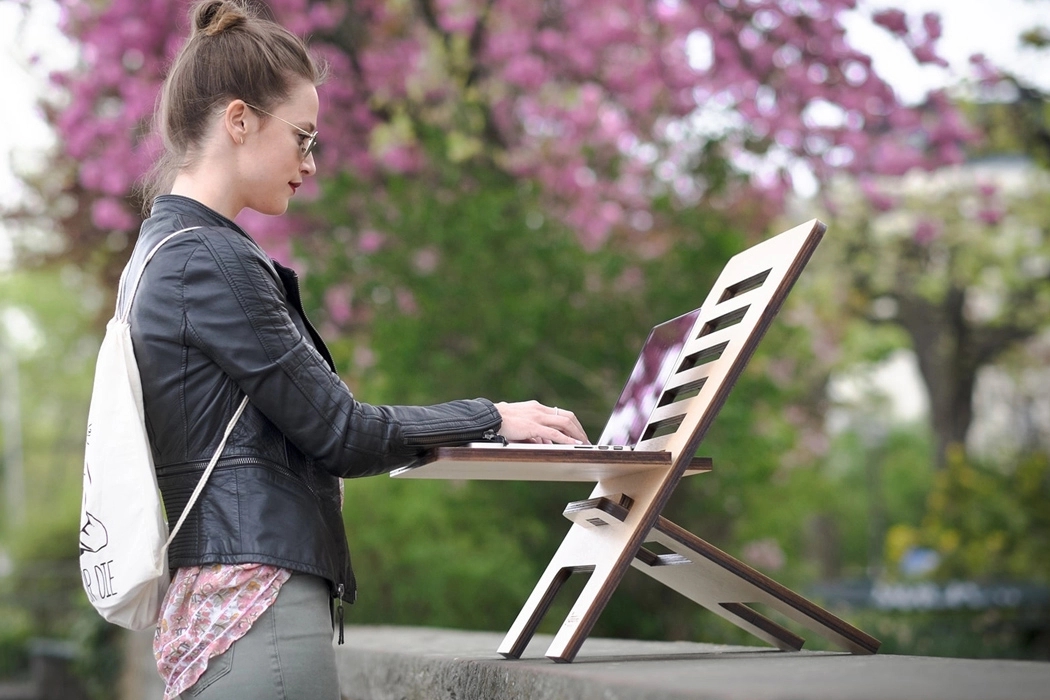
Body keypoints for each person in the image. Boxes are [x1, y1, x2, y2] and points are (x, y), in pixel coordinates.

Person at [126, 1, 588, 697]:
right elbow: (341, 432)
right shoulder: (210, 262)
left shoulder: (161, 252)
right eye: (303, 137)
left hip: (223, 603)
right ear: (240, 120)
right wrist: (491, 416)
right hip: (259, 606)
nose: (310, 163)